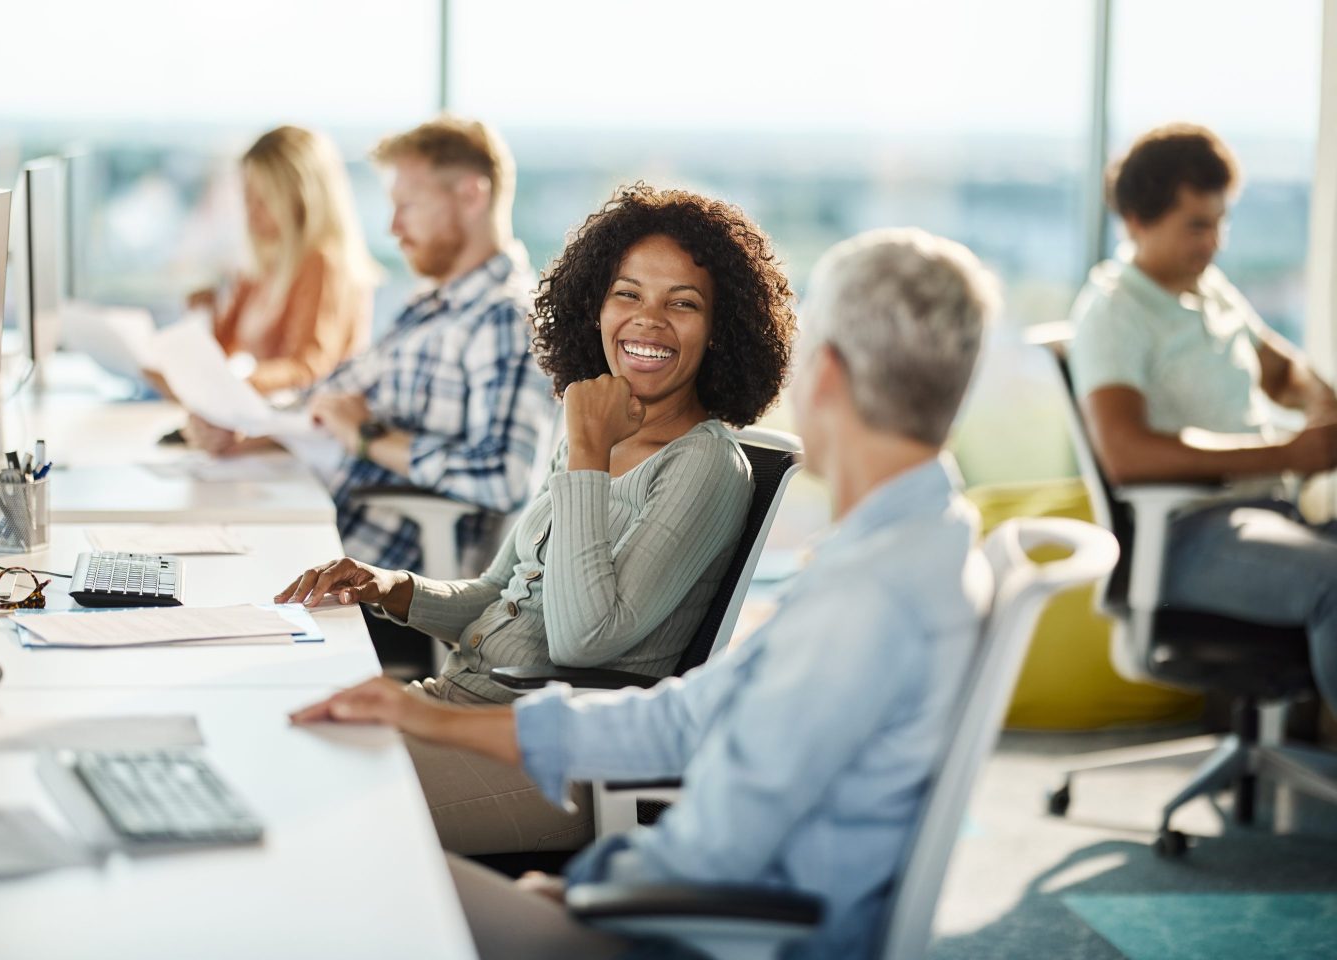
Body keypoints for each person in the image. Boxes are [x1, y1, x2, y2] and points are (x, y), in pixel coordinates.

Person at [289, 228, 997, 960]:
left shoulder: (870, 598)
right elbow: (685, 718)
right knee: (311, 786)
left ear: (827, 374)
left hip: (687, 935)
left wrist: (588, 889)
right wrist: (428, 713)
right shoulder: (907, 549)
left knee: (326, 854)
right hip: (663, 890)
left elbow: (725, 839)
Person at [277, 184, 798, 854]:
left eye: (683, 303)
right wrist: (390, 587)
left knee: (308, 801)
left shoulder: (704, 466)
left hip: (554, 761)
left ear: (720, 329)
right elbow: (497, 596)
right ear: (595, 308)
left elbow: (584, 641)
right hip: (459, 707)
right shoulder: (591, 436)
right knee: (282, 746)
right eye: (628, 294)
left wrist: (587, 453)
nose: (648, 321)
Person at [188, 117, 555, 578]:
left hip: (377, 572)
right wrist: (245, 430)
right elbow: (329, 397)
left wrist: (369, 438)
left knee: (198, 571)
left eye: (408, 206)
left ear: (470, 196)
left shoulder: (505, 318)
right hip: (329, 532)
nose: (393, 227)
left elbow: (504, 477)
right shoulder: (431, 306)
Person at [1069, 123, 1337, 711]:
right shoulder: (1114, 312)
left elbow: (1282, 374)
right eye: (1196, 225)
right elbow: (1126, 453)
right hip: (1187, 536)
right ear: (1137, 221)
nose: (1214, 242)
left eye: (1220, 222)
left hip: (1268, 513)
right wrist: (1290, 454)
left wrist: (1321, 404)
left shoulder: (1209, 290)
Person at [191, 125, 376, 394]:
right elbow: (222, 350)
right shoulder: (261, 266)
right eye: (247, 196)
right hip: (264, 409)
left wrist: (240, 384)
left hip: (302, 414)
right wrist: (206, 314)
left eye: (264, 199)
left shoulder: (323, 264)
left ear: (302, 198)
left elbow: (310, 370)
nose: (250, 211)